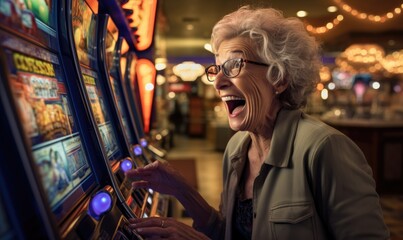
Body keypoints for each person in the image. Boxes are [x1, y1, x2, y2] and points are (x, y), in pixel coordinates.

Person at [125, 6, 390, 240]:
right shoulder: (237, 148)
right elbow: (231, 233)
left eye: (233, 65)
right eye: (217, 69)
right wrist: (184, 192)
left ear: (280, 77)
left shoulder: (325, 148)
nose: (217, 82)